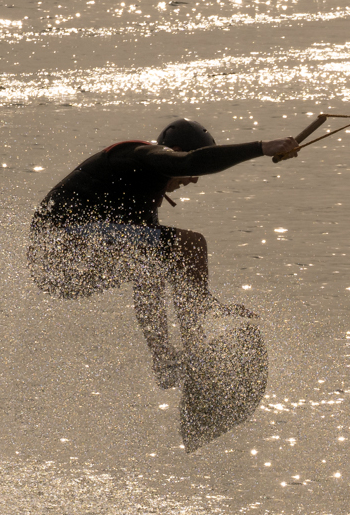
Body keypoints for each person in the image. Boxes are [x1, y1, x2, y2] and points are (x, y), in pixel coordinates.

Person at [28, 119, 302, 387]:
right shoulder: (144, 154)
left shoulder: (140, 199)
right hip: (59, 243)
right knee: (192, 243)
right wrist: (262, 147)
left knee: (151, 266)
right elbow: (190, 163)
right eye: (194, 171)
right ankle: (197, 351)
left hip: (53, 268)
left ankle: (166, 362)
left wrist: (204, 299)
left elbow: (167, 271)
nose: (194, 180)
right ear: (176, 151)